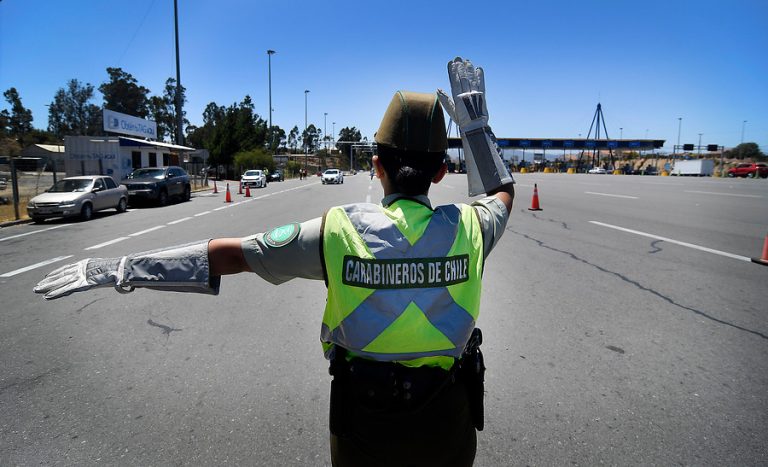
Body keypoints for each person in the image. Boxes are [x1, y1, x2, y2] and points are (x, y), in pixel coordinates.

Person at [34, 57, 514, 466]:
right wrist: (475, 127)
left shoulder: (336, 233)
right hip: (446, 429)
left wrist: (119, 269)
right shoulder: (471, 229)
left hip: (364, 431)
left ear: (376, 166)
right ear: (441, 171)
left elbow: (228, 254)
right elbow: (502, 192)